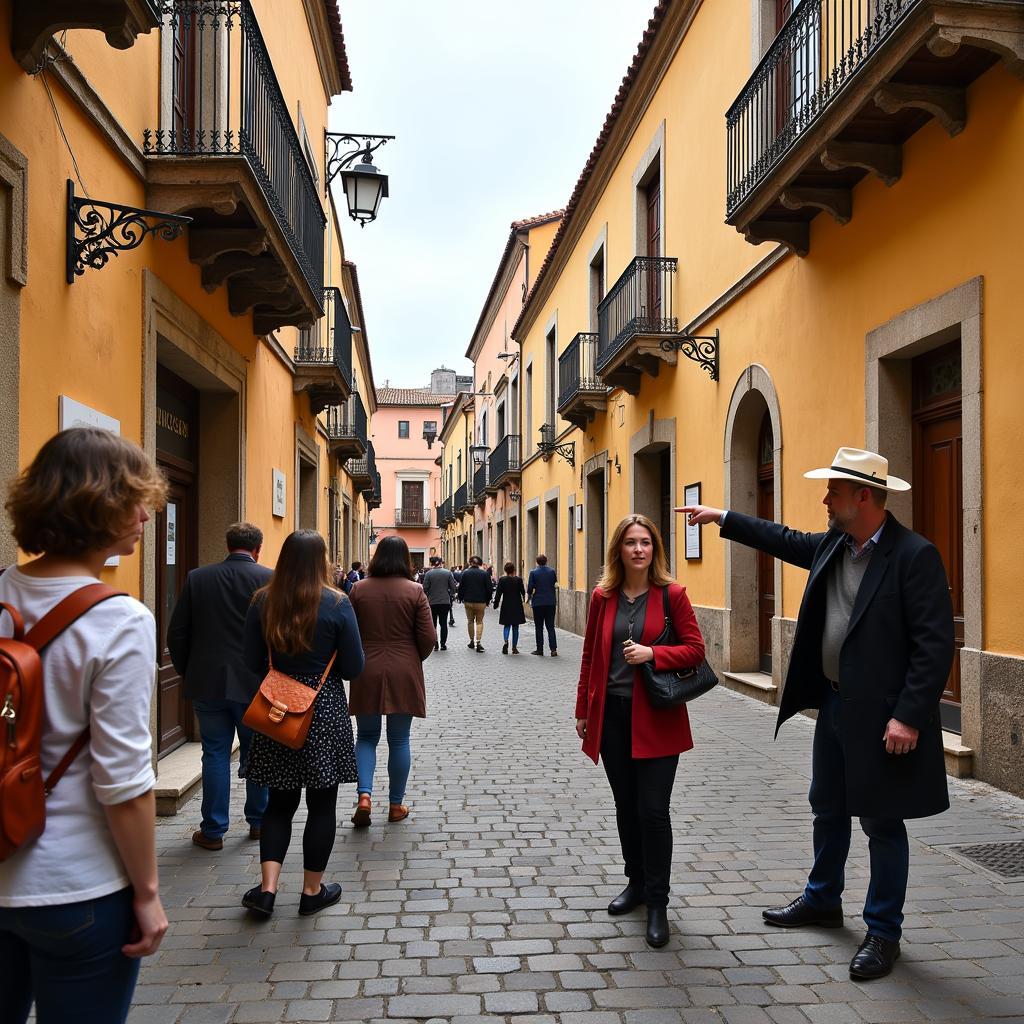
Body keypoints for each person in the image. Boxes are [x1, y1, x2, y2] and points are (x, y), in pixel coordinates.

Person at [679, 446, 954, 980]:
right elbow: (786, 540)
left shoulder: (914, 556)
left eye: (833, 491)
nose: (825, 499)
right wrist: (725, 518)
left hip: (882, 718)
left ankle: (883, 932)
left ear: (864, 496)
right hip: (833, 702)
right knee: (826, 805)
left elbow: (934, 645)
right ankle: (824, 899)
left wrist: (909, 716)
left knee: (881, 820)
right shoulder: (835, 542)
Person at [0, 428, 170, 1022]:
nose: (146, 516)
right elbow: (123, 782)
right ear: (99, 505)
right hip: (78, 886)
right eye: (134, 500)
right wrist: (147, 894)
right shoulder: (119, 620)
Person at [575, 514, 704, 949]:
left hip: (658, 718)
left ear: (655, 549)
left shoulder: (673, 595)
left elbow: (696, 649)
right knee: (626, 807)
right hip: (611, 716)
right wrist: (583, 710)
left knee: (653, 810)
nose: (638, 550)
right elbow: (591, 655)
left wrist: (653, 653)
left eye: (645, 542)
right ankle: (635, 882)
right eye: (630, 543)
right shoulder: (602, 597)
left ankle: (658, 902)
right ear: (619, 550)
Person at [241, 531, 364, 918]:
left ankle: (267, 890)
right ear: (321, 560)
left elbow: (250, 659)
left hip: (278, 707)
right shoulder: (338, 603)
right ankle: (312, 891)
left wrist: (282, 677)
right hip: (323, 709)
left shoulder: (263, 601)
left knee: (279, 803)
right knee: (322, 804)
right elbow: (354, 666)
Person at [167, 522, 272, 851]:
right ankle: (259, 822)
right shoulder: (269, 579)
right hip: (256, 684)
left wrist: (189, 672)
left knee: (213, 754)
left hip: (208, 681)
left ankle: (213, 830)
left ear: (228, 545)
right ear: (257, 548)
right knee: (258, 754)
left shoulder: (198, 578)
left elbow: (177, 633)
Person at [348, 537, 436, 826]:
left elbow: (348, 632)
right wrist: (412, 658)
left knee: (366, 737)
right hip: (403, 669)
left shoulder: (358, 589)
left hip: (367, 668)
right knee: (399, 739)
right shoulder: (415, 591)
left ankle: (364, 796)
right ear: (405, 560)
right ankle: (396, 805)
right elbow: (428, 638)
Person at [421, 555, 457, 650]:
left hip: (432, 602)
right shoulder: (448, 573)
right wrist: (452, 595)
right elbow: (453, 587)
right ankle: (443, 644)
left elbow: (425, 588)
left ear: (431, 563)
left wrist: (427, 597)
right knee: (443, 623)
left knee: (433, 624)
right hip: (445, 601)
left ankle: (435, 643)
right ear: (441, 563)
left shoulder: (428, 574)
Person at [457, 555, 491, 652]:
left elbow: (461, 587)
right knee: (479, 622)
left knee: (470, 621)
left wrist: (460, 598)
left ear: (470, 563)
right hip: (481, 602)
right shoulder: (484, 574)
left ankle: (471, 641)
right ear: (479, 563)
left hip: (468, 601)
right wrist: (488, 600)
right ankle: (478, 642)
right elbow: (489, 589)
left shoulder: (465, 573)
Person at [527, 553, 559, 656]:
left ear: (537, 562)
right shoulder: (552, 572)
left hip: (538, 603)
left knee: (539, 627)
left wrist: (529, 597)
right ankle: (553, 649)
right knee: (550, 626)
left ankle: (540, 649)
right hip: (550, 602)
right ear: (546, 561)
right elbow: (554, 583)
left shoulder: (533, 573)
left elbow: (530, 588)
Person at [493, 561, 527, 655]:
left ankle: (505, 641)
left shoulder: (502, 580)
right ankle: (514, 647)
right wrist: (525, 599)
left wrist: (495, 604)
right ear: (514, 570)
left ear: (505, 570)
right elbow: (523, 592)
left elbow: (498, 593)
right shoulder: (518, 580)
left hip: (506, 605)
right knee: (515, 627)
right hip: (517, 605)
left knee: (507, 625)